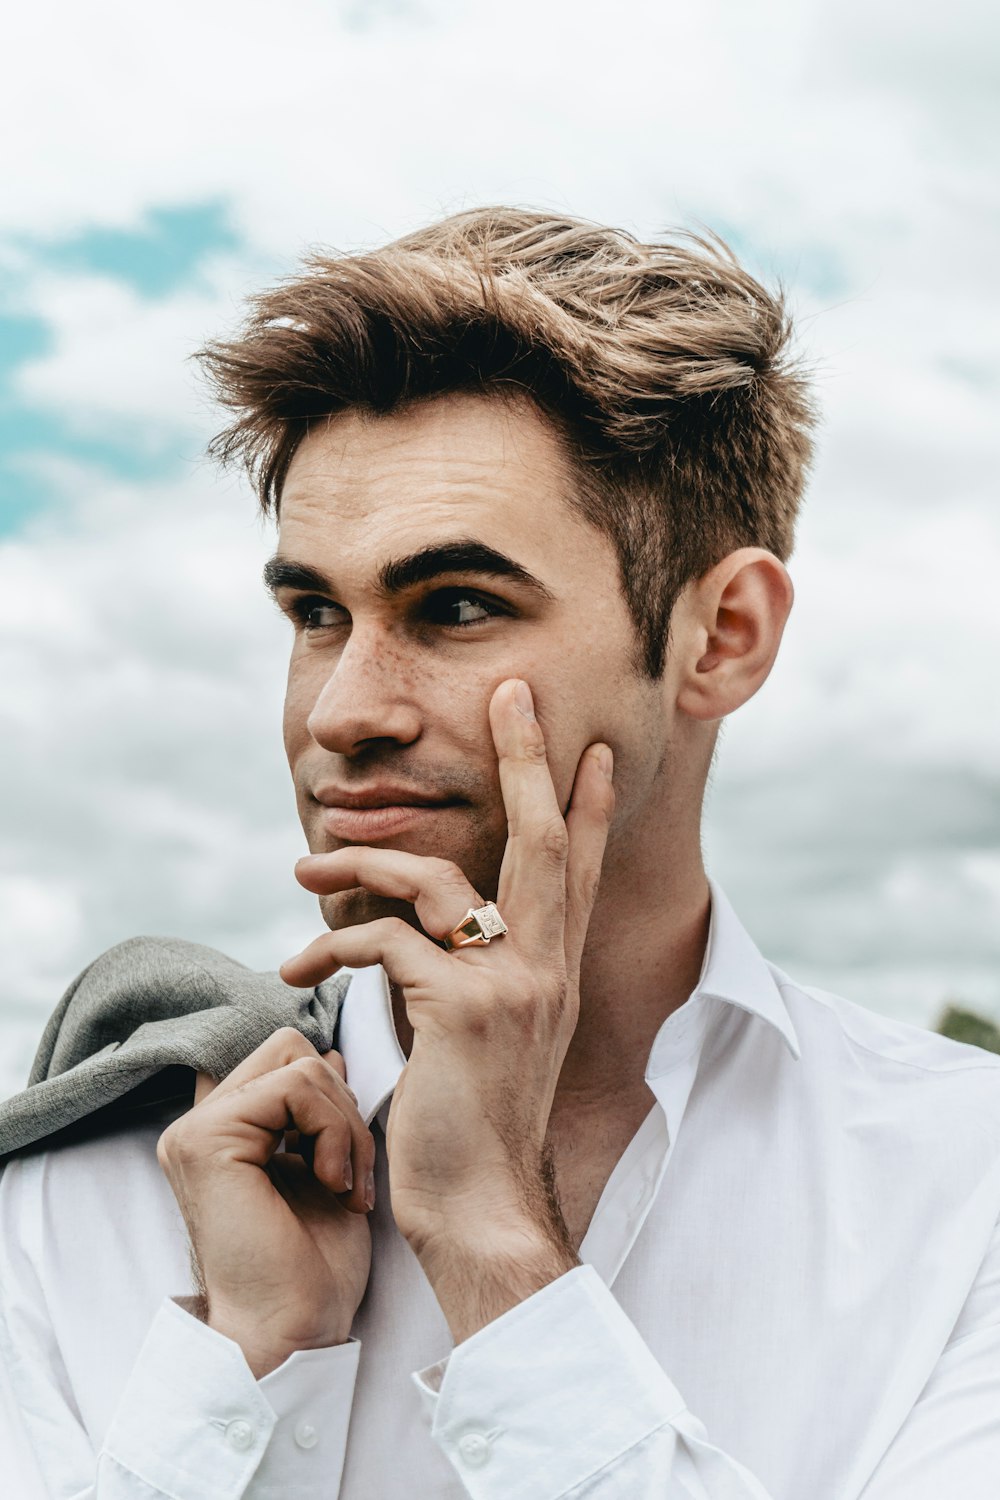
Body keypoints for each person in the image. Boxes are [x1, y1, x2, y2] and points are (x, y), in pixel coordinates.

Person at [1, 207, 998, 1499]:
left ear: (724, 637)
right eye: (314, 611)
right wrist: (238, 1375)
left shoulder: (967, 1195)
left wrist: (497, 1257)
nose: (343, 710)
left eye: (456, 606)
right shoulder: (73, 1203)